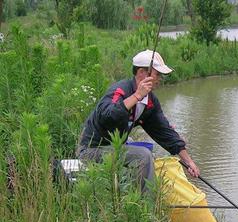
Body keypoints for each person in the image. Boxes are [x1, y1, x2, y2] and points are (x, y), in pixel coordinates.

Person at [78, 49, 200, 192]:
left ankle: (135, 194)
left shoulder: (150, 102)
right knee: (143, 155)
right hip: (91, 150)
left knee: (146, 149)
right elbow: (107, 116)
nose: (159, 79)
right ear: (142, 73)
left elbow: (165, 132)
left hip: (115, 149)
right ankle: (146, 204)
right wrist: (137, 96)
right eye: (157, 74)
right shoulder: (120, 90)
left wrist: (189, 161)